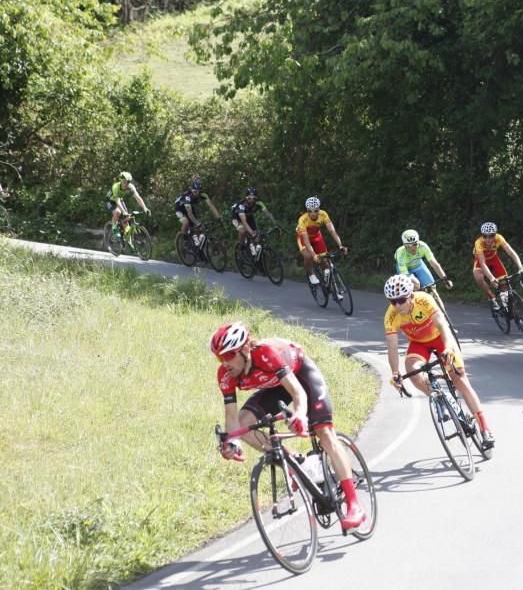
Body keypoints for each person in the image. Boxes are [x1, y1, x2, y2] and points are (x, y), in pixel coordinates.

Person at [211, 321, 366, 530]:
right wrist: (232, 442)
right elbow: (232, 419)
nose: (225, 363)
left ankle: (354, 503)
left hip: (300, 375)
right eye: (220, 358)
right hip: (274, 386)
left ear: (245, 349)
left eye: (229, 356)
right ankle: (298, 462)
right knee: (245, 424)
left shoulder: (266, 353)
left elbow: (297, 392)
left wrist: (301, 415)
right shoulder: (225, 375)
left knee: (324, 432)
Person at [383, 274, 494, 448]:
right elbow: (392, 346)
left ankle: (485, 429)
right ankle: (439, 397)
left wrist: (449, 348)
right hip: (419, 344)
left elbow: (443, 326)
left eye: (401, 300)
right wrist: (395, 373)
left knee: (460, 380)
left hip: (441, 339)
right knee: (412, 371)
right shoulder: (391, 316)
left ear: (411, 295)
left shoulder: (424, 300)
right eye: (392, 301)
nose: (397, 305)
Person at [296, 196, 348, 286]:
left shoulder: (323, 214)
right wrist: (314, 255)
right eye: (309, 211)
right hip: (303, 237)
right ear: (306, 210)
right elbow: (306, 241)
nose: (313, 214)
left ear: (319, 209)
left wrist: (340, 245)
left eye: (315, 211)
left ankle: (333, 292)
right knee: (308, 256)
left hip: (316, 236)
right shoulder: (302, 220)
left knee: (325, 263)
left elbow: (332, 230)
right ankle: (311, 274)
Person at [471, 221, 522, 311]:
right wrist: (491, 278)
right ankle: (491, 297)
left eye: (491, 236)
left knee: (504, 284)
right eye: (485, 236)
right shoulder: (478, 242)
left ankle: (509, 309)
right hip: (480, 260)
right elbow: (482, 263)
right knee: (478, 278)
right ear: (482, 235)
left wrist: (520, 267)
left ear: (495, 235)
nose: (488, 239)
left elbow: (511, 252)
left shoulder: (499, 238)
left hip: (494, 259)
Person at [105, 172, 150, 246]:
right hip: (110, 200)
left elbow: (138, 198)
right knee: (118, 212)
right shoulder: (116, 186)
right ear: (121, 181)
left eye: (128, 182)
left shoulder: (131, 187)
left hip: (120, 200)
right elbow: (117, 201)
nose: (126, 184)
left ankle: (127, 237)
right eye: (124, 182)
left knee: (127, 218)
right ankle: (114, 228)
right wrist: (123, 211)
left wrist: (145, 208)